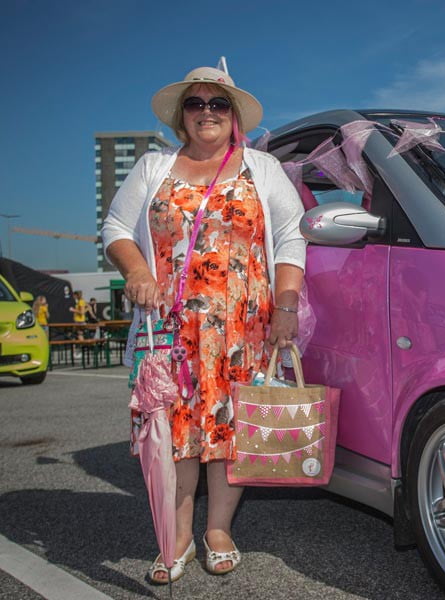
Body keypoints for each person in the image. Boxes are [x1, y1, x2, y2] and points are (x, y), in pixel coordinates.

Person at [101, 66, 306, 584]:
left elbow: (291, 236)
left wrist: (286, 306)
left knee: (231, 427)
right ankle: (178, 537)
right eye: (196, 103)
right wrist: (138, 271)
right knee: (173, 428)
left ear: (233, 116)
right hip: (168, 329)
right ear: (182, 115)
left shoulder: (262, 167)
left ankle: (218, 530)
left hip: (245, 327)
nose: (207, 112)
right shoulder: (153, 167)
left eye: (218, 104)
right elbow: (116, 227)